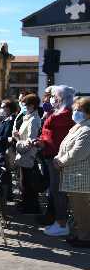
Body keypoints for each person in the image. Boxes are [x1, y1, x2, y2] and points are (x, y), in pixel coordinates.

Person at [37, 85, 76, 235]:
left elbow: (52, 123)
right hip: (50, 154)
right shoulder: (56, 112)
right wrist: (40, 141)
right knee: (54, 190)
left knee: (58, 191)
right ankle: (58, 221)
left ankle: (61, 224)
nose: (51, 99)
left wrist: (49, 113)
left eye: (54, 96)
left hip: (57, 157)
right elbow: (47, 131)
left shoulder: (65, 113)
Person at [53, 97, 90, 246]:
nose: (75, 113)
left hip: (82, 176)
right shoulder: (78, 127)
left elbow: (78, 153)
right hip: (73, 175)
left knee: (82, 209)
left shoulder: (87, 130)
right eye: (75, 109)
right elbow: (65, 147)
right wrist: (58, 157)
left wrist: (60, 161)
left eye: (79, 110)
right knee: (77, 209)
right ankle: (81, 233)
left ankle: (85, 237)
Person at [13, 93, 43, 215]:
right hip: (23, 155)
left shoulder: (34, 119)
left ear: (31, 106)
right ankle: (27, 205)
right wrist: (18, 137)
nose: (23, 107)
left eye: (25, 105)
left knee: (29, 183)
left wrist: (18, 140)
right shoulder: (28, 117)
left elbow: (30, 141)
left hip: (28, 156)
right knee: (24, 182)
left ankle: (31, 207)